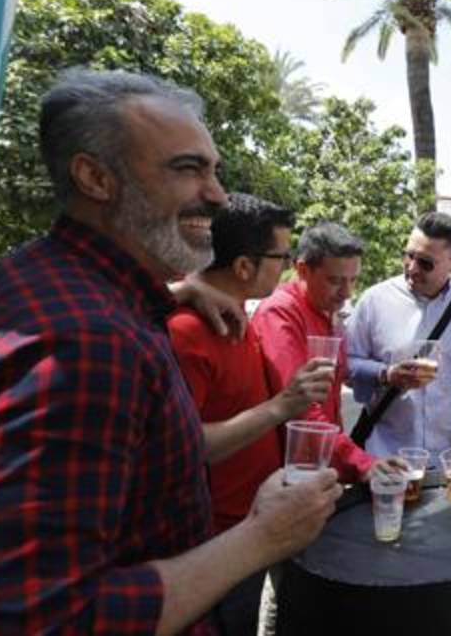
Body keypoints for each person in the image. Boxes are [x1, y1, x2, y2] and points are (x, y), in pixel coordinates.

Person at [0, 69, 340, 634]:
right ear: (95, 177)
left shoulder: (61, 282)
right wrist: (260, 537)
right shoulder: (82, 346)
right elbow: (27, 621)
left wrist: (180, 288)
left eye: (214, 171)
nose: (218, 195)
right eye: (187, 168)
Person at [166, 192, 336, 635]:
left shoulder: (234, 311)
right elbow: (193, 447)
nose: (288, 267)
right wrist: (283, 406)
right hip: (218, 537)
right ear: (244, 267)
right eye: (281, 256)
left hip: (259, 519)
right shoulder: (187, 331)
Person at [345, 212, 451, 458]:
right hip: (386, 456)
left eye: (425, 263)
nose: (412, 268)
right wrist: (385, 374)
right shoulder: (375, 300)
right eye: (408, 255)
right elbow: (345, 363)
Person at [251, 222, 379, 482]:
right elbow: (302, 407)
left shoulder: (329, 311)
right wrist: (361, 463)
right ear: (302, 270)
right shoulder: (281, 313)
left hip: (321, 467)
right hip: (288, 475)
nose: (346, 292)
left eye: (353, 280)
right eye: (335, 281)